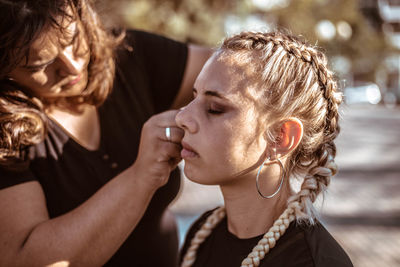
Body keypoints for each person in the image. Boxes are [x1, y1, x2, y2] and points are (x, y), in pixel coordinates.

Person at [0, 0, 211, 266]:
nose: (73, 67)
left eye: (73, 38)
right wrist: (141, 176)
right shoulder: (4, 131)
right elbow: (27, 260)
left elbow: (237, 71)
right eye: (39, 65)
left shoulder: (129, 54)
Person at [177, 31, 353, 267]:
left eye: (215, 108)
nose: (182, 117)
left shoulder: (313, 262)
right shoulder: (202, 234)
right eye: (193, 96)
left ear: (281, 138)